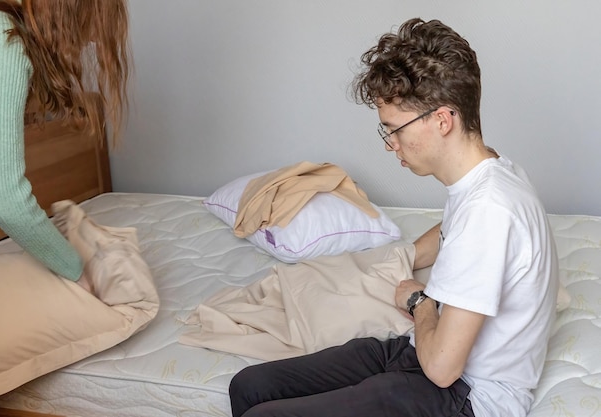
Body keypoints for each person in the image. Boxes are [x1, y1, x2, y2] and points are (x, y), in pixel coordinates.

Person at [228, 17, 558, 417]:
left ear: (442, 119)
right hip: (419, 356)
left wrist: (418, 301)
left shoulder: (488, 212)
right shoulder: (491, 172)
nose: (391, 145)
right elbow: (454, 231)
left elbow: (441, 369)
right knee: (249, 386)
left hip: (467, 395)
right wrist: (403, 256)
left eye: (394, 130)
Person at [0, 0, 130, 291]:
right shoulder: (0, 36)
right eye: (96, 19)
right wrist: (76, 272)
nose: (95, 38)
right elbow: (4, 200)